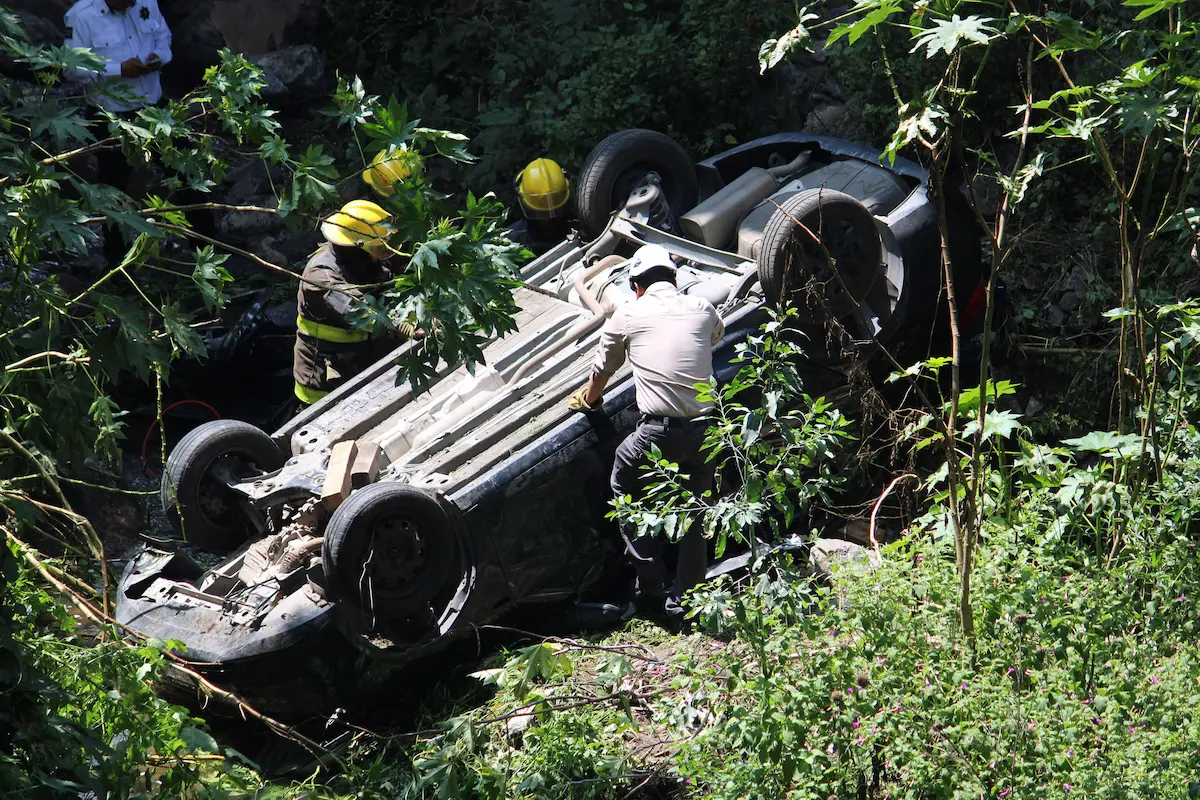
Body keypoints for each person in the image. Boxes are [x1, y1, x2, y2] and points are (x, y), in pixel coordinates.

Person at [568, 244, 725, 617]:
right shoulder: (702, 308)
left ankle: (651, 580)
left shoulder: (628, 313)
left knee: (623, 484)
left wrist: (589, 400)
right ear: (674, 278)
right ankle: (685, 602)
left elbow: (602, 371)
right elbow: (714, 337)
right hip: (707, 432)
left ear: (636, 285)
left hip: (659, 434)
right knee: (695, 512)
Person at [65, 0, 172, 264]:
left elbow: (164, 37)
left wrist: (159, 56)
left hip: (155, 109)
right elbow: (71, 68)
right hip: (110, 115)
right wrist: (118, 70)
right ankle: (117, 262)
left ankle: (206, 242)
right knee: (113, 190)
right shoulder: (80, 16)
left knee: (186, 169)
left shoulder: (147, 3)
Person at [293, 200, 420, 406]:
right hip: (327, 390)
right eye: (376, 249)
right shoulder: (321, 276)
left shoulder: (365, 263)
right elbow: (361, 312)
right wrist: (407, 327)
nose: (379, 256)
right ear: (355, 247)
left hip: (367, 370)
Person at [509, 158, 571, 256]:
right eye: (542, 214)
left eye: (557, 211)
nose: (550, 218)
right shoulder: (511, 242)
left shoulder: (580, 224)